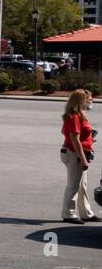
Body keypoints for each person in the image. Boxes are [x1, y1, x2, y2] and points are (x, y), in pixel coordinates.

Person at [60, 89, 98, 223]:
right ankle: (68, 214)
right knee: (74, 185)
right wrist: (82, 158)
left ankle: (86, 213)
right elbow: (74, 139)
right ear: (82, 100)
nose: (91, 101)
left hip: (79, 153)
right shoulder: (74, 116)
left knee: (83, 184)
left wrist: (89, 140)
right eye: (90, 99)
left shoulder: (80, 115)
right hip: (74, 154)